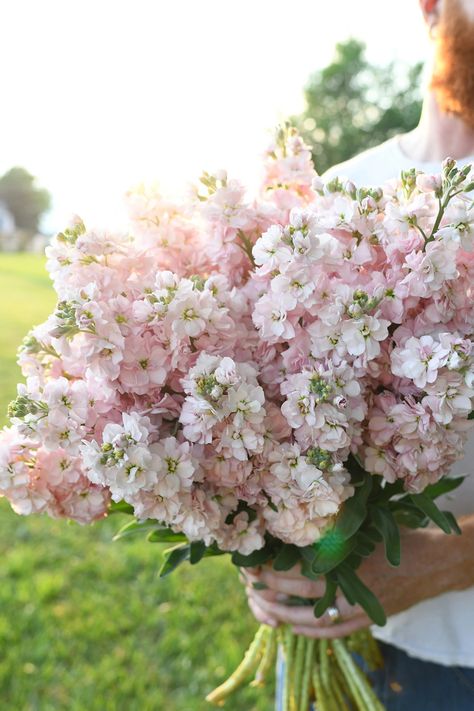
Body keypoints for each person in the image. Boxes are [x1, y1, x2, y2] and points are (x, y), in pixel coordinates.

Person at [244, 0, 474, 708]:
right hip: (326, 640)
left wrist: (446, 559)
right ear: (434, 7)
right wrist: (254, 533)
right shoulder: (332, 193)